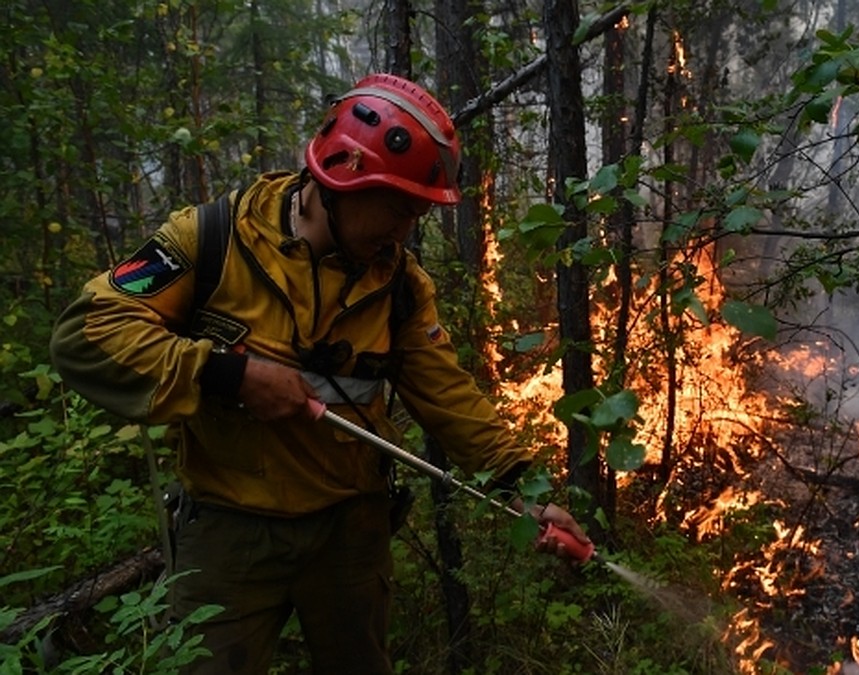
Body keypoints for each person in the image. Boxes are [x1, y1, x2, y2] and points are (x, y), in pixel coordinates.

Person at [49, 73, 589, 674]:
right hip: (229, 531)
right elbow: (86, 334)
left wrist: (524, 487)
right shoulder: (209, 241)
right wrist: (228, 375)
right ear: (341, 178)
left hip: (349, 535)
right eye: (397, 209)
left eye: (417, 215)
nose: (404, 232)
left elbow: (451, 398)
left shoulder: (401, 287)